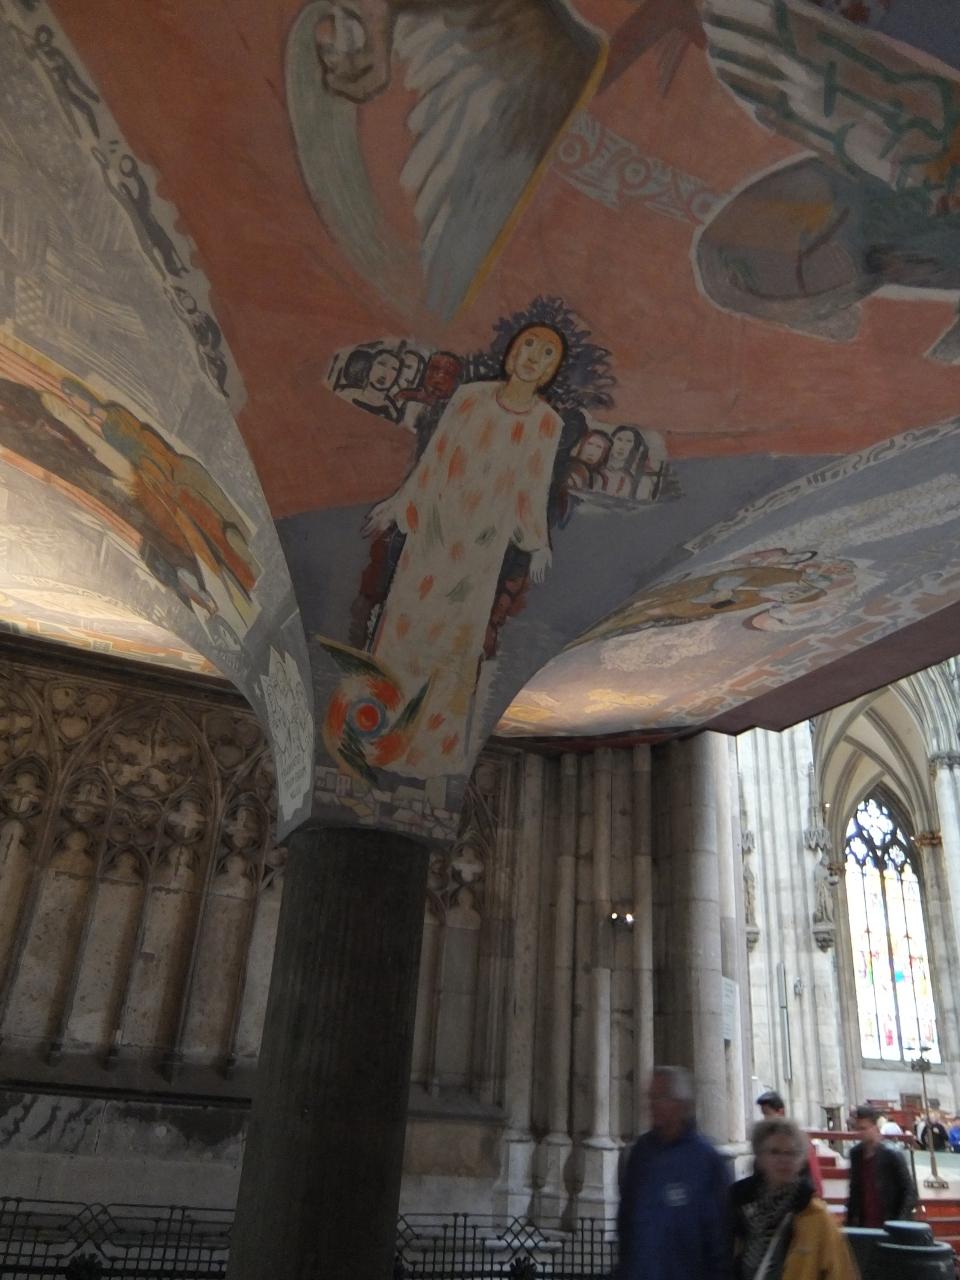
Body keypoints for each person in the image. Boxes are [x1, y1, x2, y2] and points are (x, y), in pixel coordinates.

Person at [362, 322, 566, 776]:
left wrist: (537, 542)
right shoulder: (471, 397)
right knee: (406, 625)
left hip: (481, 549)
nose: (533, 357)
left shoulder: (547, 423)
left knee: (454, 643)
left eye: (546, 354)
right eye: (529, 345)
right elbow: (435, 456)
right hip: (436, 531)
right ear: (513, 351)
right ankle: (376, 733)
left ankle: (430, 749)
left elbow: (532, 486)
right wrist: (400, 503)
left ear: (550, 371)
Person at [617, 1065, 730, 1280]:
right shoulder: (640, 1152)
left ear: (681, 1104)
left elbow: (717, 1237)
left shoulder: (706, 1160)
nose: (651, 1104)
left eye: (660, 1097)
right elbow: (627, 1222)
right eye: (651, 1097)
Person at [732, 1118, 857, 1280]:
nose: (783, 1160)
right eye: (774, 1152)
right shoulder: (737, 1206)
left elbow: (840, 1273)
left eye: (791, 1153)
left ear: (801, 1161)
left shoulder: (816, 1216)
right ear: (760, 1157)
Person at [846, 1104, 917, 1227]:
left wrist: (900, 1223)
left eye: (864, 1128)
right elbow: (854, 1191)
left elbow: (909, 1191)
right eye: (858, 1129)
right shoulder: (855, 1154)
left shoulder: (892, 1154)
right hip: (865, 1226)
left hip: (890, 1224)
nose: (861, 1133)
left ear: (875, 1128)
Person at [755, 1091, 823, 1198]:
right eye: (764, 1114)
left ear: (780, 1112)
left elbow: (813, 1177)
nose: (765, 1119)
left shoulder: (798, 1141)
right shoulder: (763, 1142)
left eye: (768, 1114)